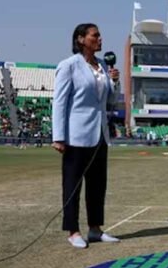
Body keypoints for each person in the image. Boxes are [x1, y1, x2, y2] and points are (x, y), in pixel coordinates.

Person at [52, 23, 121, 249]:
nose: (100, 39)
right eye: (95, 35)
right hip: (76, 135)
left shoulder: (102, 66)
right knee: (72, 184)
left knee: (97, 184)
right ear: (81, 39)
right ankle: (73, 231)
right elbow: (60, 102)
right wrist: (58, 136)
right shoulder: (69, 66)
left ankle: (95, 229)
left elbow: (110, 101)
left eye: (100, 35)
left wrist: (115, 81)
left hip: (100, 133)